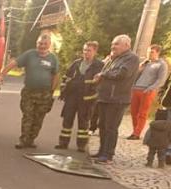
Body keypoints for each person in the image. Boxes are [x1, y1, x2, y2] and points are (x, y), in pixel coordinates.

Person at [1, 34, 60, 149]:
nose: (42, 46)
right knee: (27, 116)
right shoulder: (29, 55)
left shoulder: (53, 58)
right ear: (36, 43)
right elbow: (14, 63)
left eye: (45, 44)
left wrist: (51, 91)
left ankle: (31, 139)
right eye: (40, 43)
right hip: (29, 92)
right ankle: (23, 140)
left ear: (49, 45)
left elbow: (56, 75)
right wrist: (2, 74)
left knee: (38, 118)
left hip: (45, 94)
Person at [92, 35, 140, 164]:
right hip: (105, 97)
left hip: (117, 98)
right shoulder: (114, 58)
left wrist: (103, 74)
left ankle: (108, 155)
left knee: (111, 127)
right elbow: (105, 71)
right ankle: (102, 151)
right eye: (113, 43)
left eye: (117, 44)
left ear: (127, 45)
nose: (113, 46)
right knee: (102, 126)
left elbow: (122, 74)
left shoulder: (131, 58)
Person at [56, 41, 104, 152]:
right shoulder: (76, 63)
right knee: (67, 120)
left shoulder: (99, 66)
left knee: (83, 122)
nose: (86, 52)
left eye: (89, 50)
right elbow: (66, 77)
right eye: (85, 50)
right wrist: (63, 90)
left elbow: (101, 83)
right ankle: (63, 143)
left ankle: (81, 145)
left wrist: (94, 96)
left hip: (87, 99)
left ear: (95, 52)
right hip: (72, 96)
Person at [128, 44, 169, 140]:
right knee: (134, 112)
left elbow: (161, 80)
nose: (149, 54)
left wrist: (150, 89)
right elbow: (135, 76)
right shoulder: (145, 63)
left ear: (158, 53)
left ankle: (137, 133)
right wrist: (139, 69)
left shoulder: (162, 64)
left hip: (147, 90)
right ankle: (135, 131)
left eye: (151, 52)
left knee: (142, 113)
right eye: (148, 52)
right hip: (136, 89)